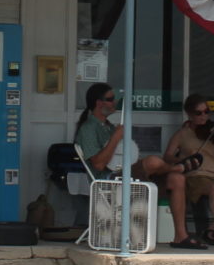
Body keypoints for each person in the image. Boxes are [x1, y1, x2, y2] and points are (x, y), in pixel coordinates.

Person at [74, 82, 206, 250]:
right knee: (153, 162)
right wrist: (115, 137)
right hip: (109, 180)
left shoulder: (108, 126)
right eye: (110, 99)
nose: (114, 102)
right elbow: (99, 165)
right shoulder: (88, 128)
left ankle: (181, 236)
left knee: (177, 179)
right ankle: (177, 167)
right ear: (99, 103)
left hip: (126, 174)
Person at [164, 94, 214, 248]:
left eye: (207, 112)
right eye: (199, 113)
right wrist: (182, 162)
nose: (204, 116)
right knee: (213, 189)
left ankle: (211, 229)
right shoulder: (182, 134)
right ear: (189, 114)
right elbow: (167, 156)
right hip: (196, 175)